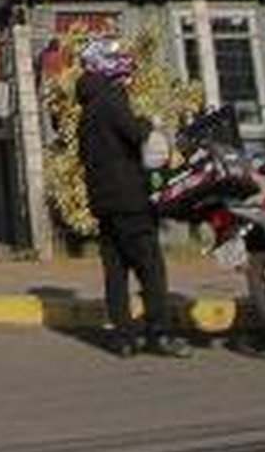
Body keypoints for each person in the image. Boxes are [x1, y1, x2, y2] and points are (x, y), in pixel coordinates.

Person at [74, 39, 185, 358]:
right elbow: (136, 135)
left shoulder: (87, 111)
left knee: (115, 270)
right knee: (150, 266)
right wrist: (149, 124)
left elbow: (86, 156)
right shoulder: (111, 98)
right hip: (129, 199)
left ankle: (123, 338)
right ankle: (159, 333)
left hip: (103, 202)